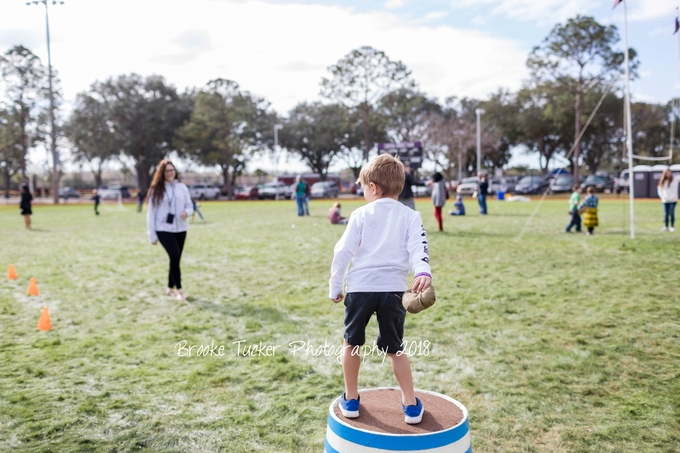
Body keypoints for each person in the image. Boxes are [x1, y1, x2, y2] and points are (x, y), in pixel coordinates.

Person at [329, 153, 432, 425]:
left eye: (363, 187)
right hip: (394, 292)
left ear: (373, 187)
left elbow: (342, 252)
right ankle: (410, 405)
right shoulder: (411, 215)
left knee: (351, 343)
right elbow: (419, 248)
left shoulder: (360, 214)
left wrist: (335, 286)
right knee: (395, 348)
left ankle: (351, 399)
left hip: (359, 289)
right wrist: (423, 272)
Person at [146, 159, 193, 301]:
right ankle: (180, 290)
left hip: (181, 228)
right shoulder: (157, 190)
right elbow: (151, 213)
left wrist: (187, 213)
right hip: (163, 228)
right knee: (174, 254)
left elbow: (190, 206)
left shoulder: (182, 188)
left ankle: (169, 287)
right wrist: (152, 235)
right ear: (162, 173)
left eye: (172, 170)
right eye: (166, 171)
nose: (170, 173)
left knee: (175, 258)